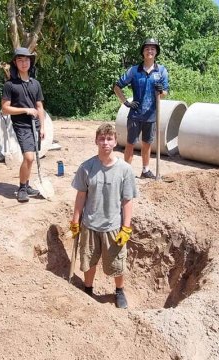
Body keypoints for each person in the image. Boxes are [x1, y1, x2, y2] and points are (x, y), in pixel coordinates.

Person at [70, 124, 138, 309]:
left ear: (115, 141)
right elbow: (81, 196)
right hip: (90, 225)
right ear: (96, 141)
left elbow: (127, 200)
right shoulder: (86, 167)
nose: (105, 142)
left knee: (116, 263)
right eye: (102, 138)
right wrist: (76, 221)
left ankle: (119, 291)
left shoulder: (125, 170)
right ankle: (88, 289)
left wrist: (126, 227)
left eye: (109, 139)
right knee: (88, 260)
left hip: (113, 227)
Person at [113, 38, 169, 179]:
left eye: (152, 48)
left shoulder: (161, 71)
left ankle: (145, 171)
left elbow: (164, 94)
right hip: (135, 115)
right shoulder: (134, 70)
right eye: (147, 48)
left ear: (156, 52)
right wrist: (126, 102)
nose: (149, 51)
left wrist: (161, 91)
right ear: (143, 52)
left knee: (147, 144)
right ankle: (126, 173)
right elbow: (117, 87)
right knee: (130, 143)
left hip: (151, 115)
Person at [1, 47, 46, 203]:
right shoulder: (10, 85)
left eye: (26, 59)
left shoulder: (36, 84)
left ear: (30, 62)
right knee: (29, 157)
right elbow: (5, 109)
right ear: (15, 63)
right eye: (20, 60)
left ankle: (26, 185)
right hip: (22, 125)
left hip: (36, 125)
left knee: (31, 158)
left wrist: (43, 127)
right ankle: (21, 188)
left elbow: (39, 107)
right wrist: (25, 110)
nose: (23, 63)